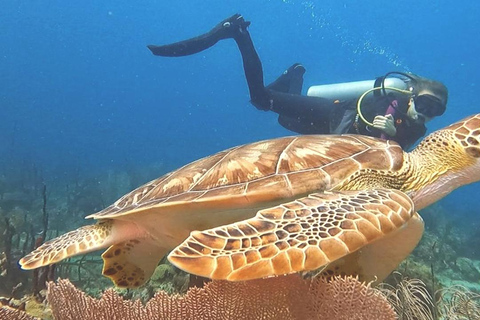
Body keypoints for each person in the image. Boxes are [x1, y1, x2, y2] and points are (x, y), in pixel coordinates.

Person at [147, 14, 448, 150]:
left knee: (281, 119)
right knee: (261, 100)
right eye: (423, 104)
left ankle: (296, 73)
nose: (425, 113)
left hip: (329, 136)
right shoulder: (388, 97)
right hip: (332, 114)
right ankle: (238, 33)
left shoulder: (417, 129)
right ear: (411, 97)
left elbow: (398, 150)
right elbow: (361, 120)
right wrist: (383, 125)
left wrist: (395, 134)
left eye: (435, 112)